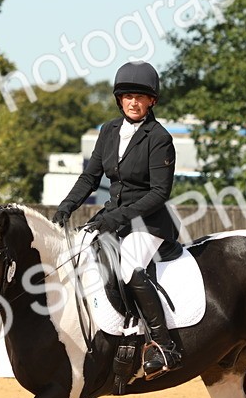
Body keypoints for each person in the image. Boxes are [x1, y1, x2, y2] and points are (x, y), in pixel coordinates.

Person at [52, 61, 182, 377]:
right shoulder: (108, 131)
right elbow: (90, 177)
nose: (133, 102)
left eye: (140, 96)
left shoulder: (159, 137)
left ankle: (164, 347)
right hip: (113, 216)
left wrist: (118, 218)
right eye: (127, 96)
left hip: (149, 222)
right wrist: (66, 207)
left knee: (128, 266)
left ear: (152, 100)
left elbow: (159, 193)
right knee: (78, 255)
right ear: (119, 99)